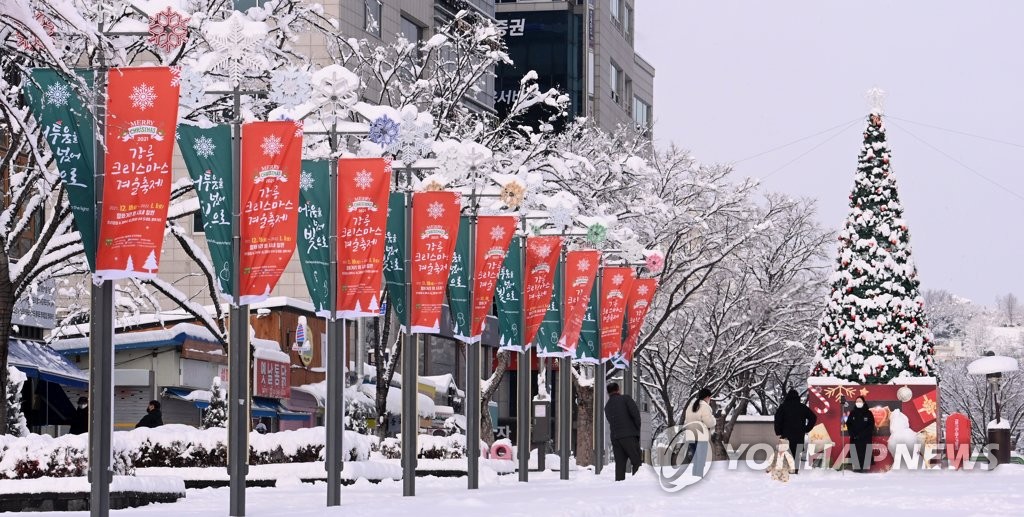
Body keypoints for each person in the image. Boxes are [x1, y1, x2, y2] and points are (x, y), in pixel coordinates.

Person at [604, 382, 643, 481]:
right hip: (629, 435)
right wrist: (636, 430)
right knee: (636, 462)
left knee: (620, 465)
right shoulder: (626, 399)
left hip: (616, 438)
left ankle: (619, 486)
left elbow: (610, 420)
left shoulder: (607, 406)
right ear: (618, 390)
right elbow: (636, 415)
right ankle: (637, 482)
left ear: (608, 393)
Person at [773, 389, 817, 474]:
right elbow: (813, 417)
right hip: (799, 434)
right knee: (797, 452)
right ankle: (795, 469)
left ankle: (786, 468)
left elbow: (777, 420)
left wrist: (778, 431)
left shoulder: (783, 407)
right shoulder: (802, 407)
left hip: (786, 434)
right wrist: (806, 429)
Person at [683, 388, 715, 476]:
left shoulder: (690, 406)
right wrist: (714, 420)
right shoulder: (704, 407)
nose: (710, 400)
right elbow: (709, 423)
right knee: (701, 461)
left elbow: (686, 421)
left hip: (691, 437)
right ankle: (699, 480)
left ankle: (694, 477)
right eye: (710, 398)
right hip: (701, 437)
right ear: (707, 397)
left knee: (695, 461)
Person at [846, 396, 876, 472]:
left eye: (860, 401)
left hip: (865, 440)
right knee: (856, 465)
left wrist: (862, 435)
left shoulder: (869, 413)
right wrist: (853, 434)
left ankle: (865, 475)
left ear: (863, 402)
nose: (858, 403)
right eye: (857, 401)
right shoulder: (852, 413)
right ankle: (856, 471)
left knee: (865, 465)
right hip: (855, 439)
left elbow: (871, 426)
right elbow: (848, 424)